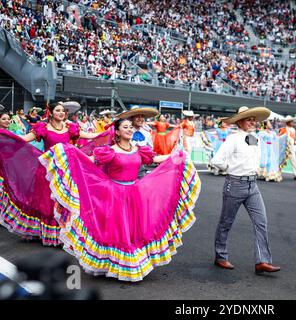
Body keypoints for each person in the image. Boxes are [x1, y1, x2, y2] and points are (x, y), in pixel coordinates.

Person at [38, 118, 201, 281]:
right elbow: (90, 161)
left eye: (131, 127)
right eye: (125, 127)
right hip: (114, 195)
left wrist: (176, 156)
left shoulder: (139, 150)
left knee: (133, 231)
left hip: (135, 194)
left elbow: (155, 159)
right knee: (117, 231)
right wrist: (69, 152)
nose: (130, 129)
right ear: (117, 132)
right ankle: (113, 265)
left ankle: (131, 263)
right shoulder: (110, 151)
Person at [0, 102, 102, 246]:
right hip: (47, 171)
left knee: (64, 201)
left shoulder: (70, 128)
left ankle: (63, 234)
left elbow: (91, 135)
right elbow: (23, 140)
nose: (61, 113)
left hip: (67, 171)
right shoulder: (43, 128)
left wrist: (107, 132)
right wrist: (4, 135)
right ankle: (44, 233)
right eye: (58, 110)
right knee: (46, 203)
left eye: (63, 111)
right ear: (51, 112)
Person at [211, 106, 281, 274]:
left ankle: (262, 261)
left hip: (252, 185)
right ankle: (220, 256)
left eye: (253, 119)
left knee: (261, 222)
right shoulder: (233, 139)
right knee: (226, 223)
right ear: (240, 121)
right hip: (235, 184)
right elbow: (216, 160)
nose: (252, 122)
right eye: (249, 119)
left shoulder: (255, 138)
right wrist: (231, 168)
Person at [117, 106, 158, 178]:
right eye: (137, 116)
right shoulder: (124, 132)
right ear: (131, 118)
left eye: (142, 116)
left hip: (140, 169)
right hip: (123, 167)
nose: (140, 119)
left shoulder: (147, 133)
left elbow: (150, 150)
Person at [278, 116, 296, 180]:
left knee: (293, 160)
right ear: (288, 122)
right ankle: (277, 172)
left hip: (291, 147)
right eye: (291, 122)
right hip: (285, 147)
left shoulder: (293, 129)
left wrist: (294, 142)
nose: (293, 123)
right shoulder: (283, 129)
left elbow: (293, 137)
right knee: (281, 160)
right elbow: (279, 137)